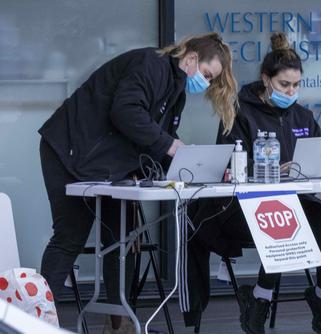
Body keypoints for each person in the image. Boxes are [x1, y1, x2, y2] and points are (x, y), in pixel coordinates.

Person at [38, 33, 237, 333]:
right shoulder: (151, 65)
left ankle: (118, 324)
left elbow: (158, 142)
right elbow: (127, 112)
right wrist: (171, 147)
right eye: (207, 75)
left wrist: (200, 168)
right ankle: (34, 321)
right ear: (192, 58)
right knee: (69, 237)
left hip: (105, 165)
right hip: (67, 150)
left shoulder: (175, 89)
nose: (206, 83)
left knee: (123, 240)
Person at [184, 33, 321, 334]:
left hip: (293, 203)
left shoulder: (303, 115)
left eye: (296, 85)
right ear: (266, 79)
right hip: (239, 209)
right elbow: (229, 165)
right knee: (284, 217)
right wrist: (269, 169)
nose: (291, 90)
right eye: (285, 84)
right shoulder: (240, 111)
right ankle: (260, 298)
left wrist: (316, 168)